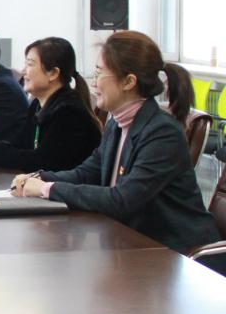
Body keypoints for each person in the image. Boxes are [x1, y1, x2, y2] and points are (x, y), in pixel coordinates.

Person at [13, 30, 220, 257]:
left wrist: (47, 189)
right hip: (131, 243)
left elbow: (122, 199)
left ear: (129, 82)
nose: (93, 82)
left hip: (176, 254)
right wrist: (40, 177)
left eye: (99, 73)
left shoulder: (162, 133)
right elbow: (87, 173)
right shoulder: (116, 124)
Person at [0, 37, 102, 172]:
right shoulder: (38, 104)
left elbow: (41, 161)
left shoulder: (69, 113)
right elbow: (19, 144)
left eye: (30, 64)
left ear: (53, 73)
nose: (24, 71)